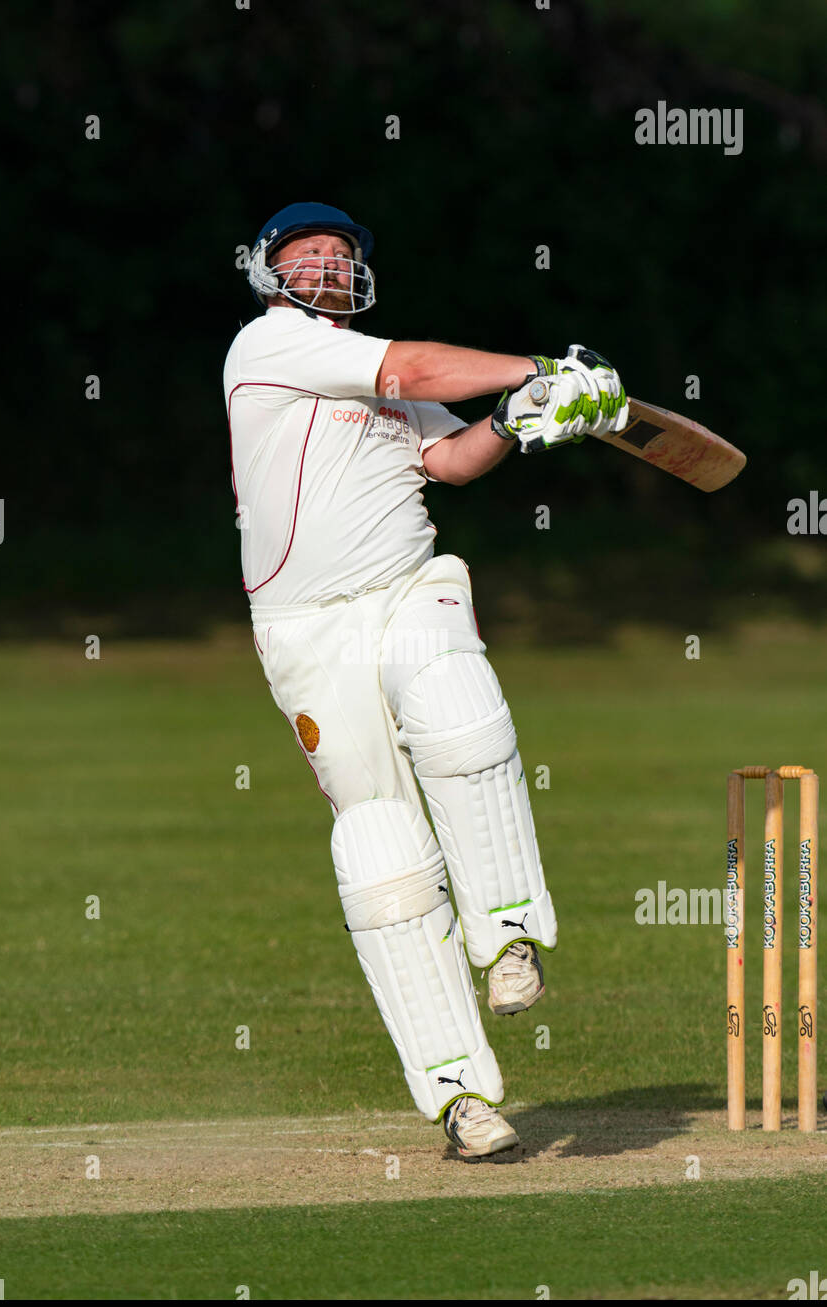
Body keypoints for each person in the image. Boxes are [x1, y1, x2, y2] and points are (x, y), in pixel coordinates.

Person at [223, 201, 627, 1158]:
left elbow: (446, 457)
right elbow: (408, 367)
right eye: (306, 253)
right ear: (271, 271)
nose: (326, 264)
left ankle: (509, 933)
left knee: (455, 698)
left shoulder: (380, 366)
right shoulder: (267, 345)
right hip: (306, 633)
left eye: (340, 253)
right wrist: (541, 369)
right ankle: (460, 1098)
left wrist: (521, 420)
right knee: (381, 856)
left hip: (407, 586)